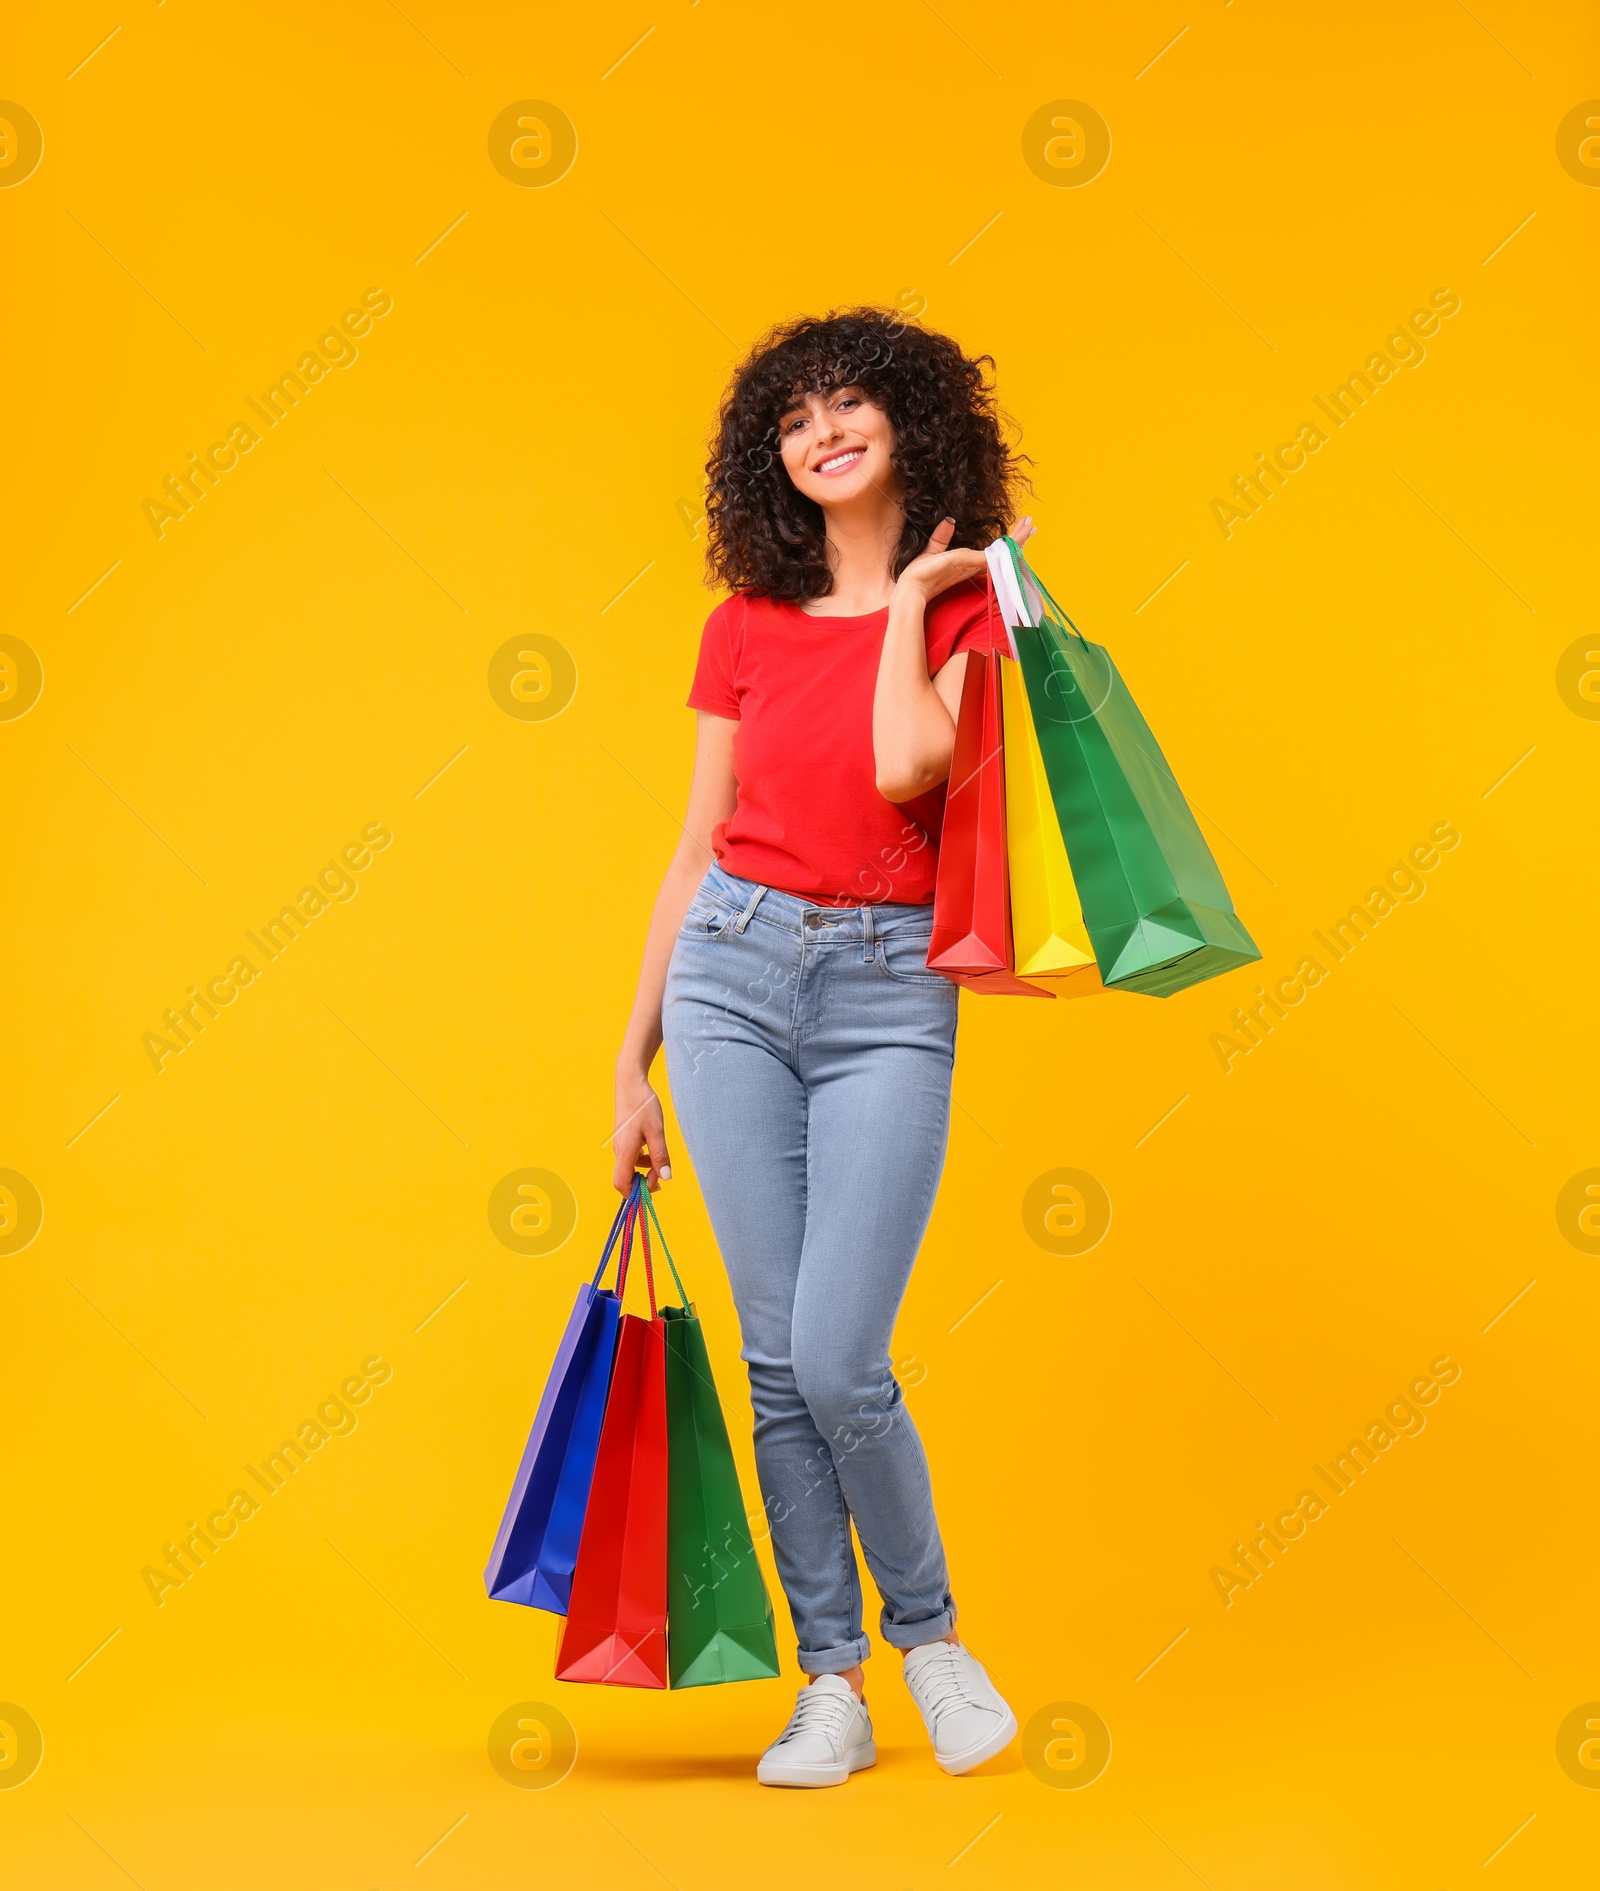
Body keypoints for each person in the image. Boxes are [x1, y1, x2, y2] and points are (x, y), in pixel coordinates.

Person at [612, 307, 1027, 1787]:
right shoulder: (742, 619)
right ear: (767, 459)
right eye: (792, 418)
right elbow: (691, 848)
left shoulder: (969, 603)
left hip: (884, 994)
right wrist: (630, 1060)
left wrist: (913, 602)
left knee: (840, 1355)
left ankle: (933, 1643)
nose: (821, 430)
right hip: (732, 972)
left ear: (913, 422)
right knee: (777, 1358)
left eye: (850, 403)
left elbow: (910, 765)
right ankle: (833, 1684)